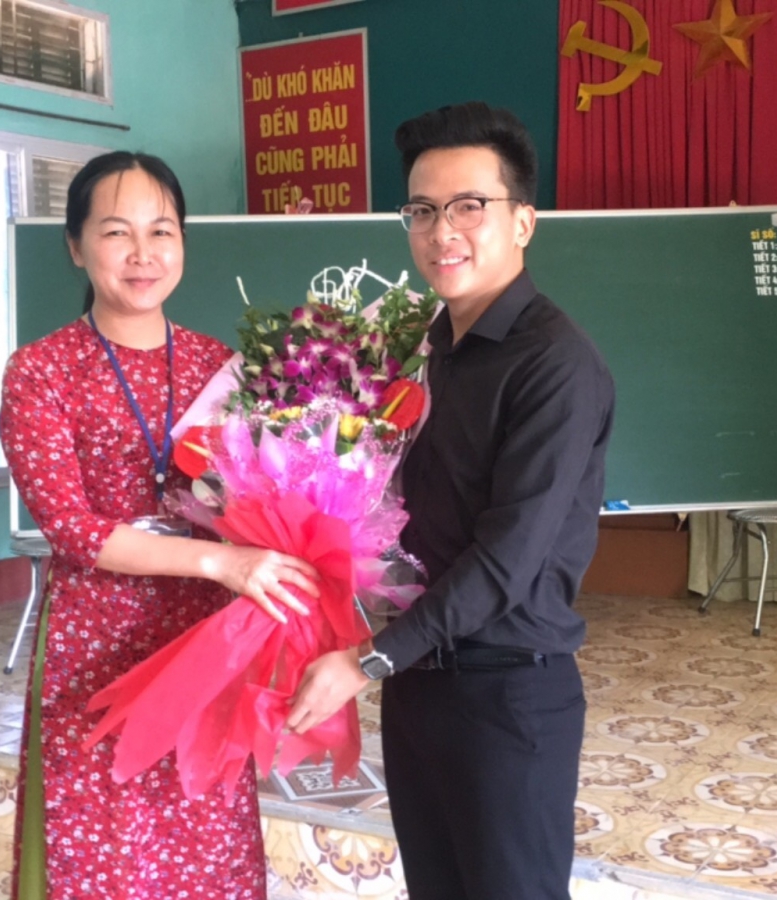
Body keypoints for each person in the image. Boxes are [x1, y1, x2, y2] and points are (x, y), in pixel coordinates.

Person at [286, 102, 615, 900]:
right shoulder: (425, 348)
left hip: (508, 695)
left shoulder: (555, 365)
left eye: (470, 206)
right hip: (419, 682)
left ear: (523, 221)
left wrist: (368, 660)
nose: (443, 233)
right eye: (423, 211)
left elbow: (506, 562)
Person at [0, 150, 316, 900]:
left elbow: (263, 499)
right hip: (95, 638)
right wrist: (221, 564)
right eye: (117, 232)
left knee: (204, 829)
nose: (142, 253)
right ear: (76, 246)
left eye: (161, 231)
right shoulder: (40, 372)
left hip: (202, 639)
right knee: (102, 841)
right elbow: (73, 530)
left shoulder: (224, 367)